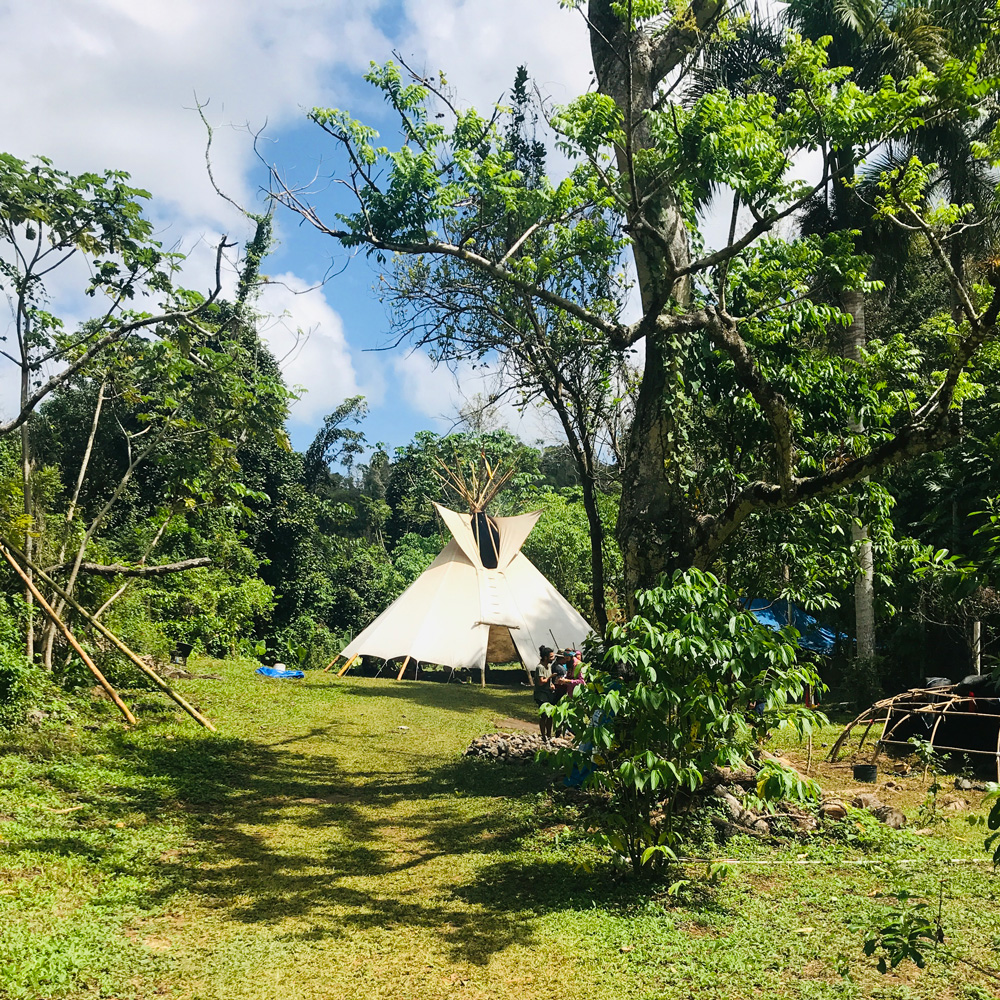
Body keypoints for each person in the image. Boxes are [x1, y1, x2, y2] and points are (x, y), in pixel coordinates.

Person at [534, 645, 557, 741]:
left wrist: (551, 685)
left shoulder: (549, 666)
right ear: (545, 657)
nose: (553, 658)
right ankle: (543, 735)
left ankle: (549, 734)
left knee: (550, 715)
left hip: (548, 693)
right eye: (551, 657)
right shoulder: (540, 667)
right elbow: (541, 682)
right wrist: (550, 677)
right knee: (544, 715)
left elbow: (548, 681)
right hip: (541, 694)